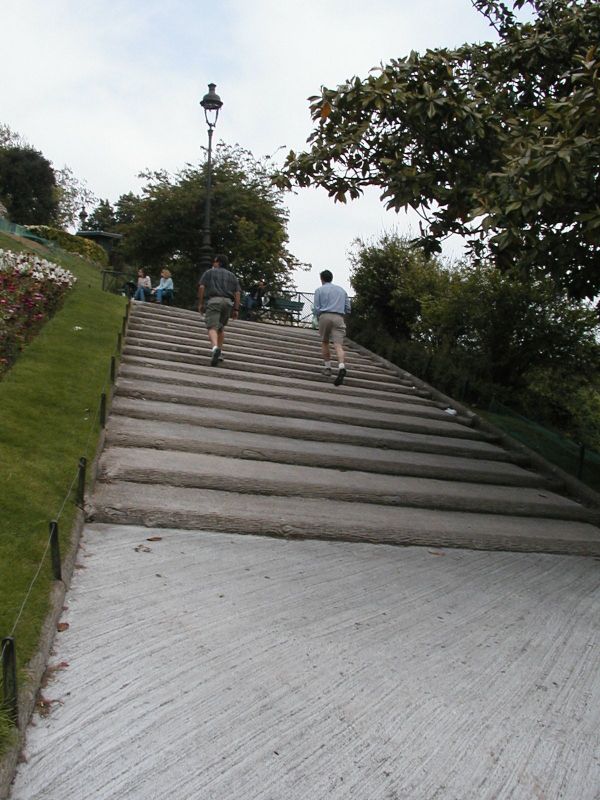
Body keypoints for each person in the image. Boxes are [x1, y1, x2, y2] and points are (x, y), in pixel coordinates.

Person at [198, 254, 241, 366]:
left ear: (218, 262)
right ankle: (220, 352)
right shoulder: (232, 276)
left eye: (215, 261)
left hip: (214, 301)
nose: (213, 263)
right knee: (221, 328)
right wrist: (236, 309)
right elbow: (237, 293)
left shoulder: (209, 272)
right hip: (228, 302)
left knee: (212, 327)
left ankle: (215, 348)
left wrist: (201, 303)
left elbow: (202, 287)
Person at [313, 269, 351, 386]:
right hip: (339, 317)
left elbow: (316, 308)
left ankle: (328, 368)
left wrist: (319, 317)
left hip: (325, 316)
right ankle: (341, 366)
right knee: (338, 345)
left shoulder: (319, 290)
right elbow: (348, 308)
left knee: (325, 342)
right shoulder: (342, 291)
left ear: (321, 279)